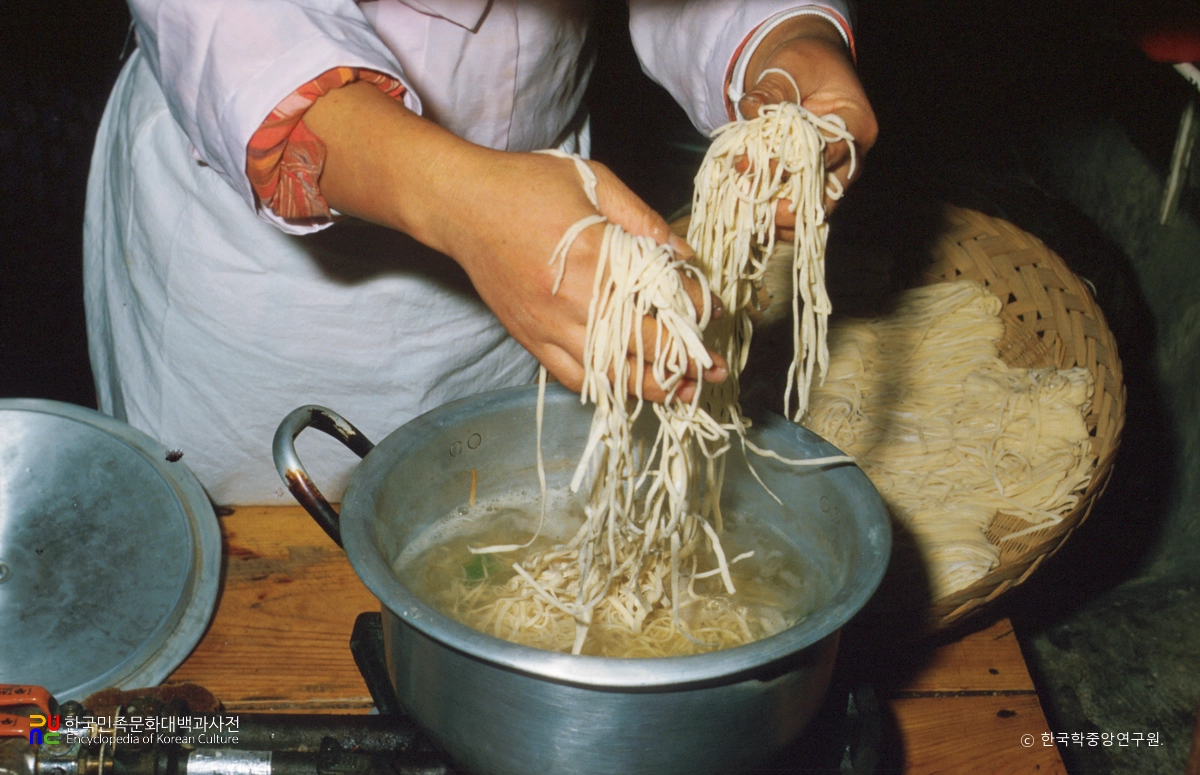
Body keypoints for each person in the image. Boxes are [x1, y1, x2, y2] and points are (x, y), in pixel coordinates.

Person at [84, 1, 877, 505]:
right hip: (267, 277)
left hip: (547, 219)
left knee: (498, 516)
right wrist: (461, 202)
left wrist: (781, 37)